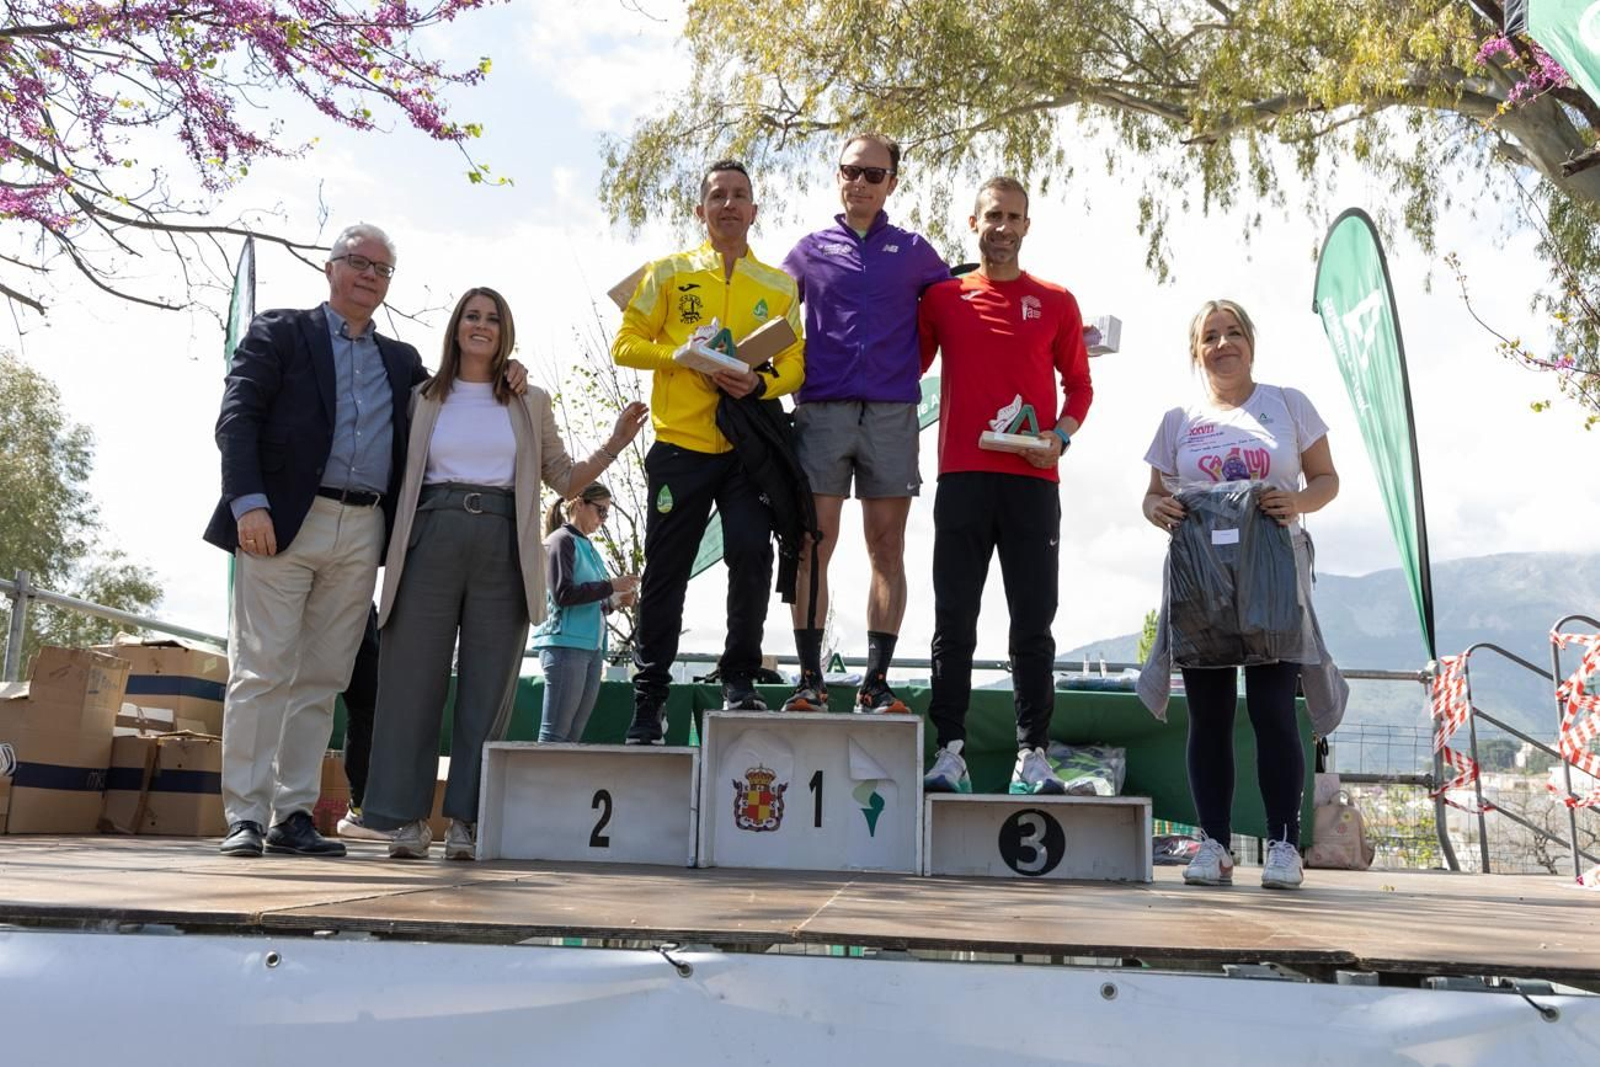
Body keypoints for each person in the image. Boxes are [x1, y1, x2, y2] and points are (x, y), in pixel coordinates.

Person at [362, 287, 648, 860]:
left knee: (488, 687)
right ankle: (405, 819)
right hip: (430, 538)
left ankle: (466, 819)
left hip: (503, 545)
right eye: (472, 315)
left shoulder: (528, 400)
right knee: (411, 681)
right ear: (456, 327)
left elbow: (565, 479)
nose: (481, 325)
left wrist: (617, 441)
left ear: (506, 332)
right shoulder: (421, 395)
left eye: (492, 318)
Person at [205, 223, 429, 859]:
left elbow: (458, 396)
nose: (369, 275)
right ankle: (244, 816)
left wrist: (507, 371)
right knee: (262, 669)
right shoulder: (280, 332)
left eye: (382, 269)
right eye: (358, 262)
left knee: (323, 679)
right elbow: (237, 419)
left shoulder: (402, 360)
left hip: (364, 530)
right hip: (279, 522)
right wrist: (248, 503)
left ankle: (292, 814)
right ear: (329, 268)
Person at [1138, 299, 1342, 891]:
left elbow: (1326, 479)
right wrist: (1161, 509)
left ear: (1251, 342)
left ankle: (1283, 844)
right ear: (1195, 351)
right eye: (1210, 336)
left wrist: (1298, 502)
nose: (1223, 344)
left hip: (1272, 573)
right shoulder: (1179, 419)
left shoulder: (1287, 404)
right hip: (1201, 577)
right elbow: (1151, 496)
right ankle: (1214, 844)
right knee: (1208, 714)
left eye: (1233, 333)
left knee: (1275, 709)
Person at [612, 159, 805, 742]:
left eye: (739, 196)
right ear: (700, 210)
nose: (728, 205)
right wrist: (681, 356)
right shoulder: (666, 273)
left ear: (754, 210)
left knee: (752, 552)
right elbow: (626, 345)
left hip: (746, 446)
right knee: (666, 574)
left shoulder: (778, 284)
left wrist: (760, 382)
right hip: (681, 445)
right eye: (717, 196)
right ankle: (650, 699)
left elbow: (795, 363)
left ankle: (740, 680)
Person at [917, 177, 1094, 797]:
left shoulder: (1057, 301)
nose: (1002, 227)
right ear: (973, 222)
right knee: (953, 618)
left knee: (1032, 621)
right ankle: (950, 750)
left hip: (1032, 481)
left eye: (1014, 217)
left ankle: (1033, 753)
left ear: (1027, 225)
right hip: (962, 477)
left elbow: (1080, 387)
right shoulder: (942, 298)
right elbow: (902, 366)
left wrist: (1061, 436)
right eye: (993, 215)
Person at [778, 132, 949, 714]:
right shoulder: (808, 250)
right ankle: (808, 679)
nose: (861, 183)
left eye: (874, 175)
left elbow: (961, 314)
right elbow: (763, 313)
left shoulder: (916, 251)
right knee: (811, 545)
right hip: (821, 410)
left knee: (887, 547)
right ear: (838, 177)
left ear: (892, 184)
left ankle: (875, 683)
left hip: (892, 414)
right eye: (851, 171)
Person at [532, 483, 637, 743]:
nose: (603, 520)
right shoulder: (561, 541)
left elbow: (587, 597)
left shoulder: (585, 545)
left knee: (571, 735)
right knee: (556, 734)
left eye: (606, 514)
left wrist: (613, 602)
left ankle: (557, 784)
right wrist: (610, 586)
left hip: (588, 648)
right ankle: (543, 784)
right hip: (565, 645)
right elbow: (562, 594)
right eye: (600, 511)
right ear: (579, 504)